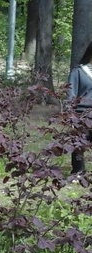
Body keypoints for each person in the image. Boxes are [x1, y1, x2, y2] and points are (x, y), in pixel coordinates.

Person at [68, 41, 92, 176]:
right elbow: (71, 95)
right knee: (78, 144)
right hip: (81, 114)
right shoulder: (78, 71)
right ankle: (78, 171)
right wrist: (71, 116)